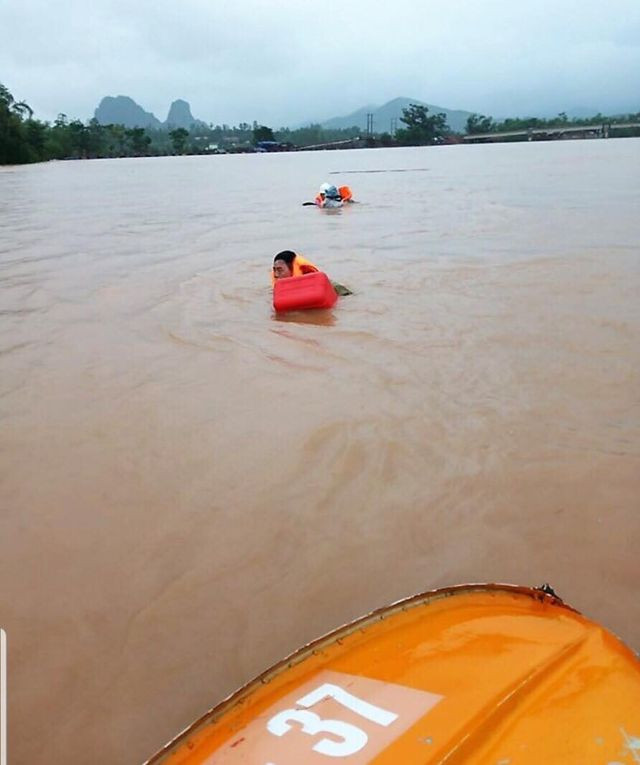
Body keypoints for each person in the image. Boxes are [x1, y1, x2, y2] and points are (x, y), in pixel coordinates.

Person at [271, 251, 353, 295]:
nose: (276, 275)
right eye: (275, 270)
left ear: (292, 268)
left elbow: (346, 294)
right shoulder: (278, 289)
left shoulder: (320, 283)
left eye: (280, 270)